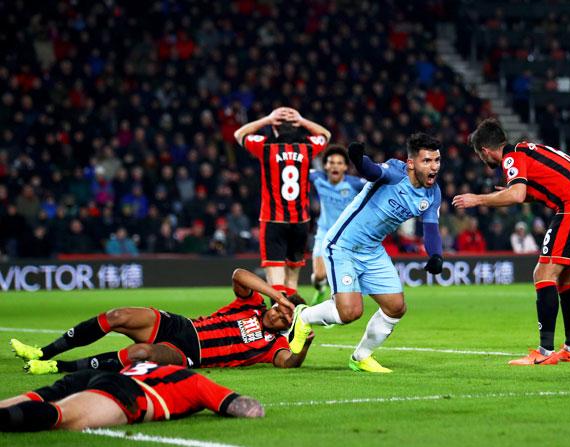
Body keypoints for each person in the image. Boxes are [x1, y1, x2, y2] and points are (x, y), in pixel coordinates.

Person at [452, 118, 570, 366]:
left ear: (485, 151)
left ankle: (544, 353)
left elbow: (516, 194)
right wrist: (513, 193)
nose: (484, 161)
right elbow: (535, 190)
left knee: (543, 273)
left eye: (481, 157)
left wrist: (477, 199)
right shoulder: (527, 150)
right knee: (565, 277)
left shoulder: (511, 158)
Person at [288, 133, 443, 373]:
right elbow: (373, 172)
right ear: (412, 163)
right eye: (427, 161)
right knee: (349, 313)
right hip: (343, 246)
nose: (434, 167)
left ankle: (361, 357)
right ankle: (304, 316)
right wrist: (358, 159)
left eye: (437, 161)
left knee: (395, 307)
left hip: (372, 250)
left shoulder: (432, 193)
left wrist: (435, 255)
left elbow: (431, 228)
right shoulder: (395, 172)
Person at [12, 269, 312, 374]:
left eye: (286, 315)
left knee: (142, 354)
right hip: (182, 326)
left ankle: (55, 367)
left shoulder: (274, 345)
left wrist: (304, 346)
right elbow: (238, 275)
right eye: (279, 307)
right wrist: (277, 292)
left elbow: (288, 363)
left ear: (290, 325)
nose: (277, 312)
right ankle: (43, 352)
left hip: (191, 354)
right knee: (117, 315)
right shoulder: (251, 303)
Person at [0, 361, 263, 432]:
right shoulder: (193, 380)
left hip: (106, 376)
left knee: (33, 397)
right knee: (61, 416)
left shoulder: (142, 365)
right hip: (127, 392)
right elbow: (247, 409)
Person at [234, 107, 330, 297]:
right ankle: (292, 323)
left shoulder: (266, 147)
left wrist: (268, 119)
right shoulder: (307, 148)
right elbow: (325, 134)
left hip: (273, 221)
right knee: (291, 281)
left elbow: (240, 134)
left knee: (275, 283)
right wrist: (301, 120)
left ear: (275, 129)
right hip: (300, 223)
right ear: (296, 128)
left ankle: (279, 323)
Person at [309, 145, 366, 304]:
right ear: (325, 165)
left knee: (341, 275)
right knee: (319, 275)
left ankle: (337, 306)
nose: (335, 165)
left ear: (346, 167)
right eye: (331, 162)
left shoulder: (355, 184)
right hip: (324, 232)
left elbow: (376, 186)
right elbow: (297, 172)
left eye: (339, 163)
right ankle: (320, 289)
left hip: (345, 236)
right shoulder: (317, 178)